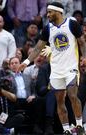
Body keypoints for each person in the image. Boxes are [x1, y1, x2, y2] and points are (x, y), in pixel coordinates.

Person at [17, 2, 86, 134]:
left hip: (71, 67)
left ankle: (79, 125)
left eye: (50, 12)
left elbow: (82, 42)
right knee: (59, 100)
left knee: (72, 95)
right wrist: (26, 62)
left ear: (59, 12)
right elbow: (38, 47)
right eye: (47, 12)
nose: (47, 14)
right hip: (56, 70)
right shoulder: (47, 28)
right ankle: (66, 129)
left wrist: (84, 57)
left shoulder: (71, 24)